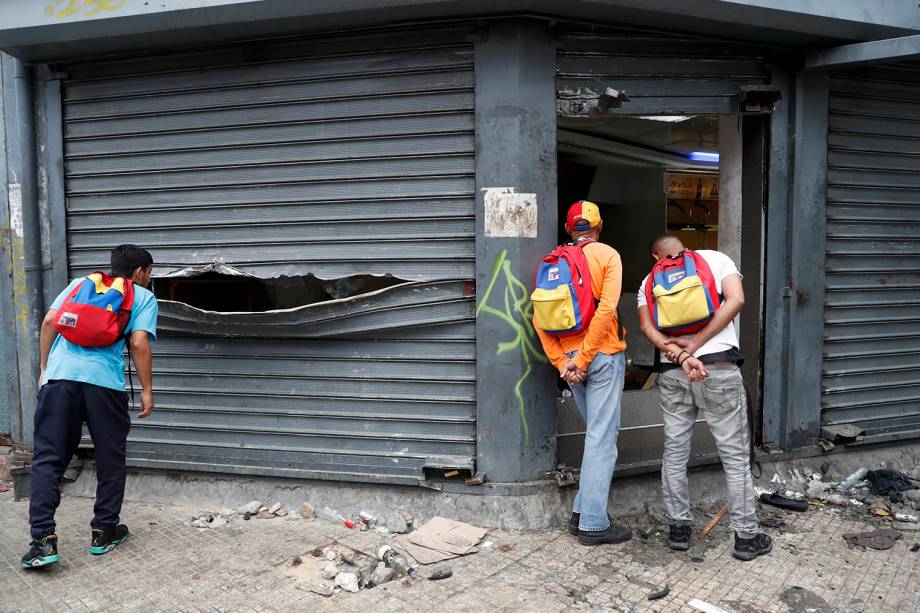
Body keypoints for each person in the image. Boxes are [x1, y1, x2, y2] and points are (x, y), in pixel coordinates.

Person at [22, 245, 158, 568]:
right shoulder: (142, 297)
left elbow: (49, 322)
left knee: (49, 459)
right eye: (150, 273)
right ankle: (103, 531)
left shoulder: (80, 284)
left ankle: (43, 542)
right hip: (104, 386)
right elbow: (138, 342)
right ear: (139, 272)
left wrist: (45, 370)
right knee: (110, 458)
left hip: (59, 381)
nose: (151, 280)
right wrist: (147, 391)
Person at [637, 235, 771, 561]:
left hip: (672, 373)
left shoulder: (649, 281)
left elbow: (647, 329)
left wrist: (679, 354)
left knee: (675, 451)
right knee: (735, 458)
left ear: (656, 256)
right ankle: (746, 538)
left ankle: (679, 530)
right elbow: (736, 300)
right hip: (718, 370)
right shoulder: (716, 259)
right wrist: (695, 346)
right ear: (686, 247)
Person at [534, 200, 632, 545]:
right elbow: (607, 309)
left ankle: (579, 514)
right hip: (601, 356)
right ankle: (593, 523)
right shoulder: (607, 255)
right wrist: (586, 357)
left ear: (567, 228)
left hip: (573, 361)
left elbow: (539, 317)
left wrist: (564, 362)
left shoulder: (553, 260)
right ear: (599, 226)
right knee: (603, 440)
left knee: (597, 436)